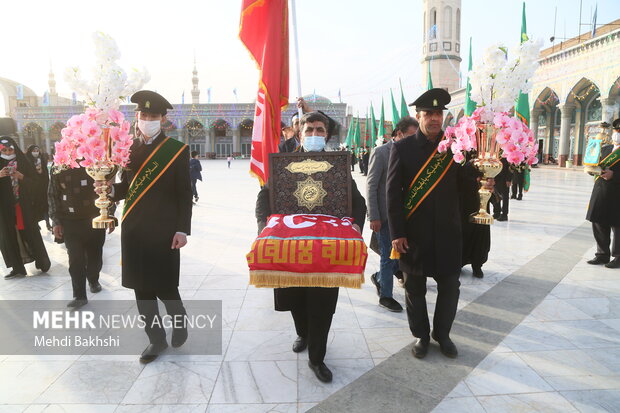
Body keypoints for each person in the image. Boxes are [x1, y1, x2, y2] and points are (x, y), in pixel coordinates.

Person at [256, 111, 366, 383]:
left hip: (325, 251)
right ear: (300, 133)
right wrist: (264, 229)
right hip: (291, 248)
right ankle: (303, 332)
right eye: (309, 130)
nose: (314, 135)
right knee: (294, 298)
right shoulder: (285, 163)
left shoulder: (337, 166)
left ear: (326, 135)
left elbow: (357, 203)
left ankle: (317, 357)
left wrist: (353, 229)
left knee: (322, 304)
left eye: (319, 130)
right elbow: (264, 197)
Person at [386, 89, 493, 359]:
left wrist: (484, 180)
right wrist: (397, 232)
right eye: (428, 114)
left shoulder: (455, 146)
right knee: (414, 288)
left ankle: (442, 334)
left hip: (448, 232)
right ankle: (421, 335)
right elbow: (392, 193)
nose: (434, 118)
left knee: (450, 287)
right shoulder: (402, 148)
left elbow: (465, 183)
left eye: (438, 113)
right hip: (414, 235)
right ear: (418, 116)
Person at [100, 90, 193, 363]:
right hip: (134, 229)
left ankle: (179, 321)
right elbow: (127, 188)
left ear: (163, 119)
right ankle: (156, 340)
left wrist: (182, 229)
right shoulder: (126, 149)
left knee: (165, 287)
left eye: (153, 116)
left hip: (164, 231)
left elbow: (183, 194)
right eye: (143, 115)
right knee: (141, 289)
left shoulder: (176, 151)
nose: (147, 120)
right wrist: (108, 189)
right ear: (136, 117)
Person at [367, 116, 418, 312]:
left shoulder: (413, 154)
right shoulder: (381, 153)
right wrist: (374, 216)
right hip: (385, 215)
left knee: (400, 255)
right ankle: (386, 296)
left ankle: (380, 277)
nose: (414, 140)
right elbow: (371, 186)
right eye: (410, 136)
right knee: (388, 256)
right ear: (399, 134)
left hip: (406, 214)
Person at [49, 166, 108, 307]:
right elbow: (52, 195)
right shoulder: (58, 165)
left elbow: (106, 190)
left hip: (95, 218)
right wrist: (56, 221)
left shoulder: (95, 162)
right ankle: (79, 295)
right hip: (70, 221)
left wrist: (108, 214)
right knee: (75, 258)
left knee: (95, 254)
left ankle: (93, 279)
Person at [0, 136, 51, 279]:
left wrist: (22, 177)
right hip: (5, 208)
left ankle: (42, 262)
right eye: (4, 150)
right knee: (10, 236)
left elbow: (37, 184)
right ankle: (17, 268)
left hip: (24, 206)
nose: (8, 152)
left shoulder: (23, 162)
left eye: (10, 149)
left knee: (30, 232)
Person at [586, 118, 620, 269]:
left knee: (618, 226)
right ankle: (602, 254)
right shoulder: (605, 149)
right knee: (599, 222)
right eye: (615, 131)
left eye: (619, 132)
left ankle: (618, 257)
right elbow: (595, 164)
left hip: (617, 193)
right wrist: (591, 169)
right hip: (601, 191)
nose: (616, 134)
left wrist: (615, 175)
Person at [460, 159, 490, 278]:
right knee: (463, 232)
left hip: (481, 202)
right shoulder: (458, 148)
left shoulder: (488, 155)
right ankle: (459, 262)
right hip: (464, 201)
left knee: (480, 234)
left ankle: (477, 265)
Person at [25, 145, 52, 230]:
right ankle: (36, 224)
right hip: (33, 188)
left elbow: (45, 173)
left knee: (45, 206)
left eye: (37, 150)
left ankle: (48, 223)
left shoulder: (42, 160)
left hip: (43, 187)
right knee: (35, 207)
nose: (36, 152)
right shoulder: (27, 161)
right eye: (34, 150)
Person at [490, 157, 512, 221]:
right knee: (495, 195)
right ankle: (497, 212)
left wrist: (509, 179)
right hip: (495, 176)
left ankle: (504, 214)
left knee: (505, 196)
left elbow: (511, 167)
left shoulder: (506, 152)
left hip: (504, 177)